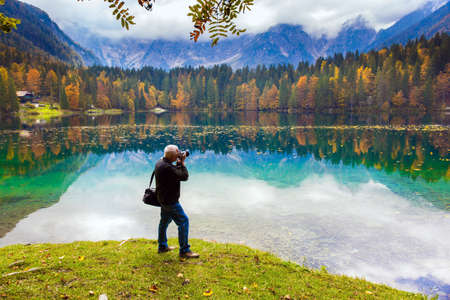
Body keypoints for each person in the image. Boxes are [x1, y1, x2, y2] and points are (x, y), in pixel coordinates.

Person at [154, 145, 199, 259]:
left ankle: (162, 246)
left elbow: (174, 171)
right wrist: (182, 163)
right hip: (170, 201)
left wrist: (177, 162)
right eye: (177, 153)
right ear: (173, 156)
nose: (179, 154)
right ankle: (184, 250)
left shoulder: (160, 162)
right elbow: (184, 176)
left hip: (162, 199)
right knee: (184, 221)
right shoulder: (168, 168)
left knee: (164, 222)